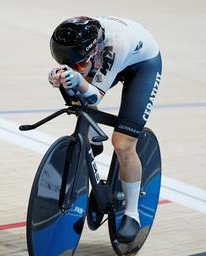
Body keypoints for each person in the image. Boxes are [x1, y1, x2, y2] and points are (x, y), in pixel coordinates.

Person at [48, 16, 162, 242]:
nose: (75, 70)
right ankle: (92, 140)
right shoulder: (80, 43)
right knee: (78, 99)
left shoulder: (114, 46)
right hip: (109, 57)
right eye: (69, 65)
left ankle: (132, 213)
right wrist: (59, 77)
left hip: (143, 66)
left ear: (94, 51)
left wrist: (77, 80)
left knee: (123, 143)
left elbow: (93, 94)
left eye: (79, 65)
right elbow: (80, 84)